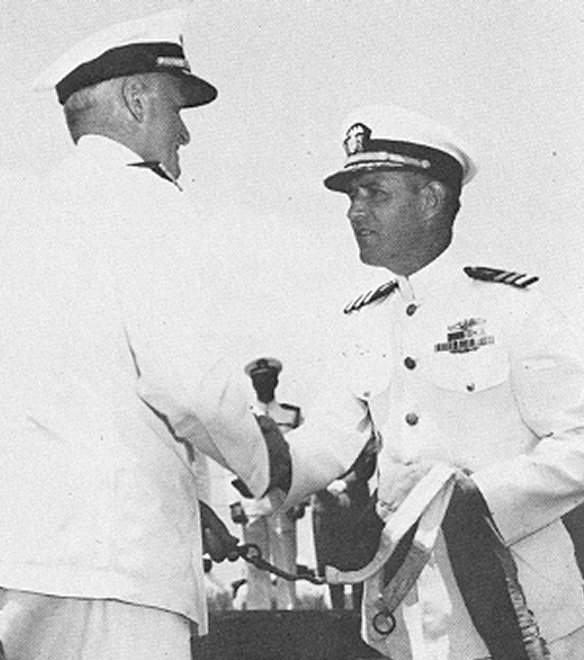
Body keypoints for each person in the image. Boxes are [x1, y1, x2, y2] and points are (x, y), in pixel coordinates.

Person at [261, 105, 584, 659]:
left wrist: (479, 498)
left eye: (374, 192)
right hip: (409, 617)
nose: (355, 211)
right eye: (351, 196)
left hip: (521, 614)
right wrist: (254, 455)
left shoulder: (513, 308)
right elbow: (325, 445)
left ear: (431, 199)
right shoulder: (362, 321)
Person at [0, 9, 278, 660]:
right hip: (119, 567)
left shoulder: (24, 216)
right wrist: (266, 470)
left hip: (27, 561)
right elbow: (192, 389)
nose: (184, 133)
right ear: (134, 99)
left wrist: (189, 506)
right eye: (177, 108)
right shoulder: (145, 203)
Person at [229, 357, 304, 609]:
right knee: (254, 560)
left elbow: (302, 456)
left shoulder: (290, 415)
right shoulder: (242, 416)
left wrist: (301, 495)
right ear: (252, 383)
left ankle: (289, 614)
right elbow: (230, 456)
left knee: (285, 560)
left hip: (283, 495)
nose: (264, 384)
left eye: (268, 379)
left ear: (276, 380)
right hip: (251, 497)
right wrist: (233, 502)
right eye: (258, 380)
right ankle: (257, 615)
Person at [311, 437, 377, 610]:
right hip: (325, 500)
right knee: (331, 562)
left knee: (357, 564)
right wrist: (325, 484)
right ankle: (337, 612)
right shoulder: (319, 427)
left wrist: (345, 482)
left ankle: (358, 613)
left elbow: (368, 462)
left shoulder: (363, 430)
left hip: (355, 502)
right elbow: (309, 460)